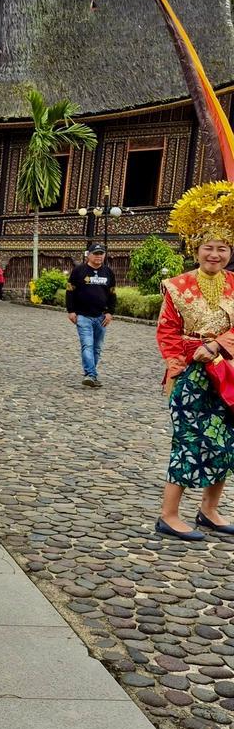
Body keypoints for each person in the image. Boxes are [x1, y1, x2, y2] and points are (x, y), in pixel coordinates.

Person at [155, 183, 234, 540]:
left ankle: (209, 510)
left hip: (228, 375)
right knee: (187, 442)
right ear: (196, 249)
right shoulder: (178, 286)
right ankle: (168, 515)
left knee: (225, 442)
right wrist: (179, 367)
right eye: (208, 247)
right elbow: (167, 331)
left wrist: (218, 344)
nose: (214, 254)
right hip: (190, 376)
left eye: (222, 248)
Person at [66, 243, 116, 387]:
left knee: (97, 348)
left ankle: (90, 372)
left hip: (101, 316)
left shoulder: (108, 272)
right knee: (87, 344)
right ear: (89, 255)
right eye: (96, 253)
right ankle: (91, 374)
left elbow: (112, 294)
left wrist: (110, 312)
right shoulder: (78, 271)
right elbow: (70, 291)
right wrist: (71, 310)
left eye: (101, 253)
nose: (98, 256)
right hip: (83, 315)